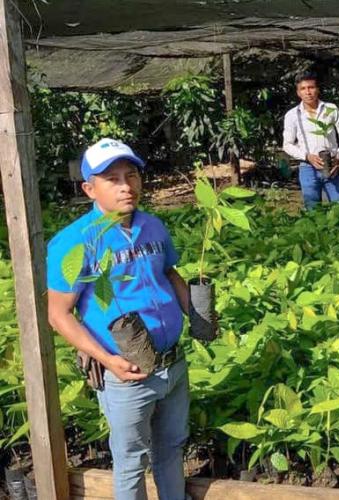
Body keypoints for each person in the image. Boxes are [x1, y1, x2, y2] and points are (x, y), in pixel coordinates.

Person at [47, 138, 191, 500]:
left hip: (173, 363)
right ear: (89, 188)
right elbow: (59, 314)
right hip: (127, 372)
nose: (127, 186)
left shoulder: (153, 226)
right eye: (112, 179)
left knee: (172, 448)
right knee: (131, 460)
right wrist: (106, 359)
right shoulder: (76, 242)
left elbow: (169, 273)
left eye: (132, 175)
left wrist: (198, 312)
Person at [283, 71, 339, 210]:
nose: (308, 92)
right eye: (303, 89)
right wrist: (307, 156)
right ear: (298, 93)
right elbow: (287, 144)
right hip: (308, 168)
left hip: (332, 165)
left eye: (311, 87)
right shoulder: (292, 115)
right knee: (312, 210)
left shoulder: (330, 109)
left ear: (317, 89)